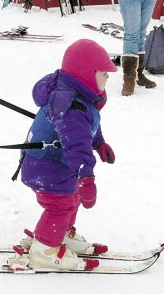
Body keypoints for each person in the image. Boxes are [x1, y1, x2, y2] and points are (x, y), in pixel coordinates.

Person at [15, 39, 117, 271]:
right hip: (47, 167)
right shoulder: (70, 107)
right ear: (87, 74)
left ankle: (60, 234)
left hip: (54, 165)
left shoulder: (81, 98)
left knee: (70, 200)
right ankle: (44, 249)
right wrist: (87, 178)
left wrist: (99, 143)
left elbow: (89, 126)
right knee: (60, 206)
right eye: (104, 73)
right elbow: (78, 147)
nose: (108, 77)